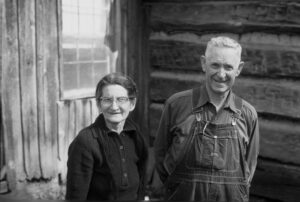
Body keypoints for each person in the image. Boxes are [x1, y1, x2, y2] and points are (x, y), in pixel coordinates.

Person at [154, 36, 259, 201]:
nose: (221, 74)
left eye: (228, 67)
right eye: (215, 65)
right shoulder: (176, 105)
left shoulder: (247, 114)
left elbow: (249, 167)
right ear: (204, 63)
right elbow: (161, 155)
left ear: (238, 69)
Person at [66, 73, 149, 200]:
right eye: (107, 100)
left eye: (121, 99)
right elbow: (75, 195)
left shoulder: (135, 135)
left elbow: (142, 181)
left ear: (132, 104)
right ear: (99, 104)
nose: (114, 107)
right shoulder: (86, 141)